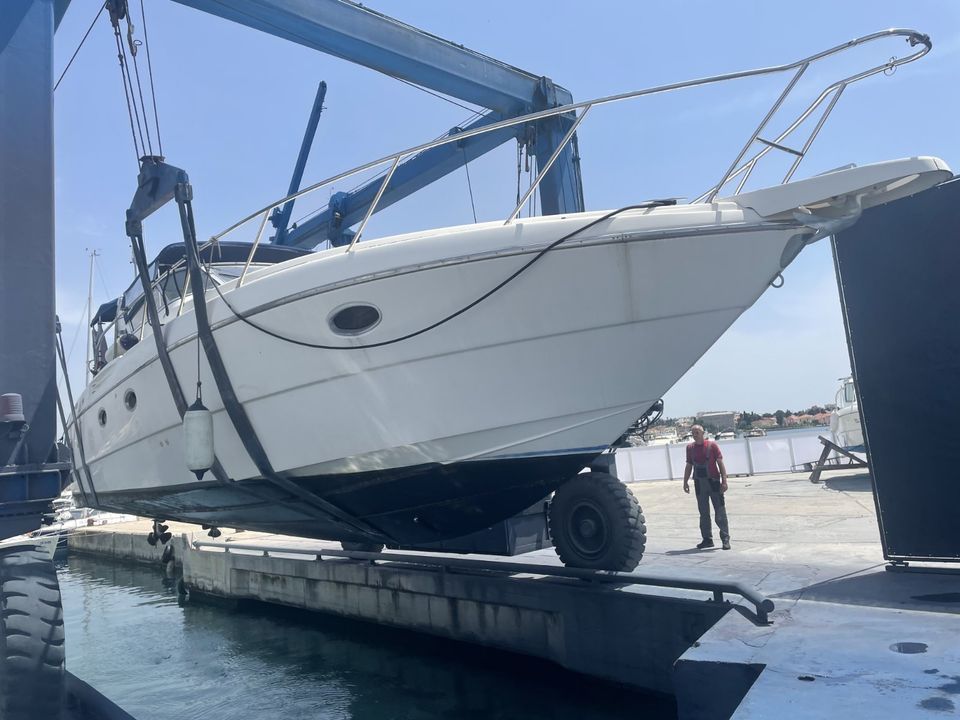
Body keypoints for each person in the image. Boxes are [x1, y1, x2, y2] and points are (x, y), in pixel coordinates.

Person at [682, 424, 730, 550]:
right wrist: (685, 482)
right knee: (703, 514)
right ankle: (707, 539)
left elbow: (720, 463)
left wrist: (724, 481)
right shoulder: (690, 448)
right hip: (699, 484)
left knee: (720, 512)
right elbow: (688, 466)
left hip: (714, 482)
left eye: (697, 432)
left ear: (703, 433)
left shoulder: (712, 445)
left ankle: (725, 539)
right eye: (693, 432)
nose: (695, 434)